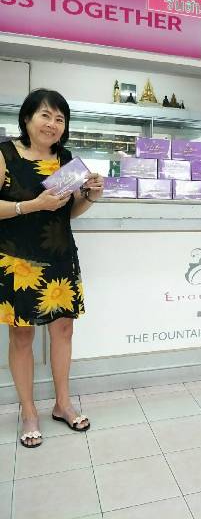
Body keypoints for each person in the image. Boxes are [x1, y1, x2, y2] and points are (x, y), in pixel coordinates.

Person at [0, 89, 104, 447]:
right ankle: (29, 412)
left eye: (60, 118)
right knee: (21, 336)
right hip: (17, 262)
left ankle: (62, 404)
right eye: (45, 115)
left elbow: (66, 213)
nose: (52, 124)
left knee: (64, 331)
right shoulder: (5, 155)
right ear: (26, 118)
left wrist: (89, 197)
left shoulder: (67, 160)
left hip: (60, 258)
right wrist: (32, 205)